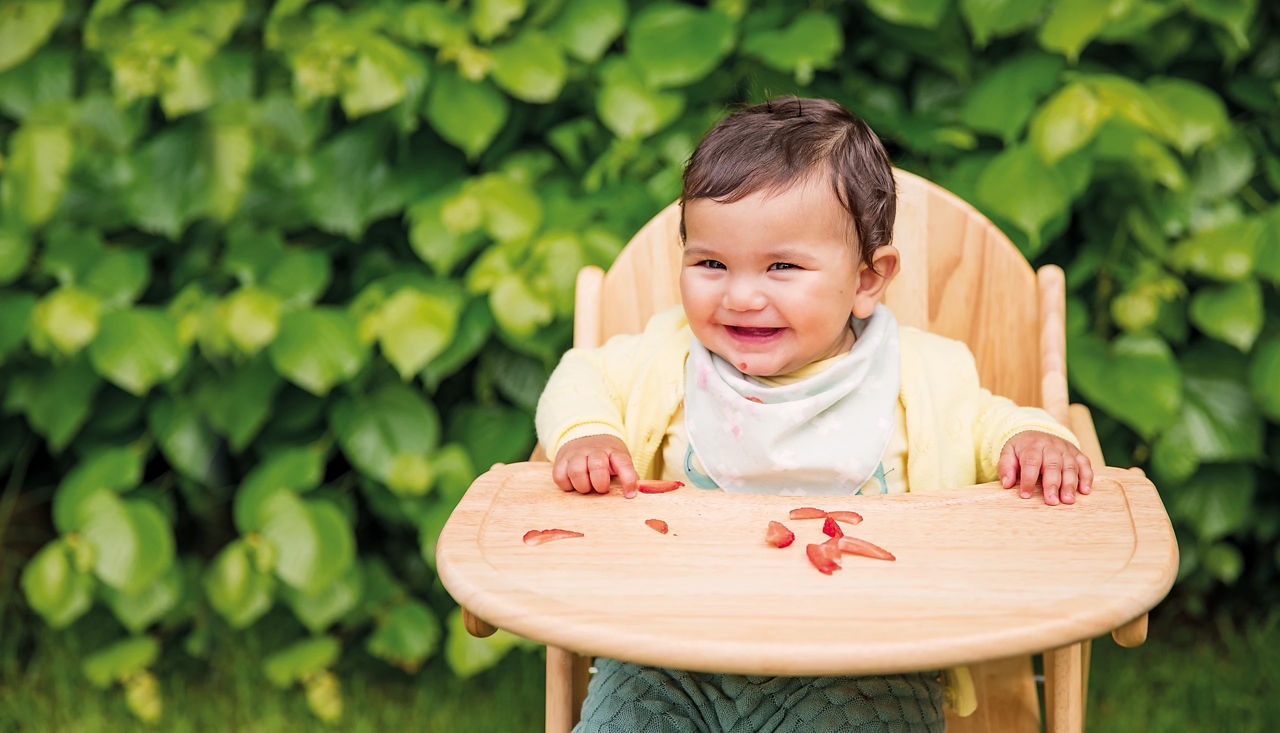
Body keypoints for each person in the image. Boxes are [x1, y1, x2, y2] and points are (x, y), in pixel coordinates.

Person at [534, 96, 1092, 732]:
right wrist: (589, 434)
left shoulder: (920, 374)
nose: (742, 295)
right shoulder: (664, 358)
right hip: (669, 649)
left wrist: (1035, 438)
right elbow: (579, 378)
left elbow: (990, 423)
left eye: (783, 266)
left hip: (870, 657)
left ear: (866, 280)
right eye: (711, 263)